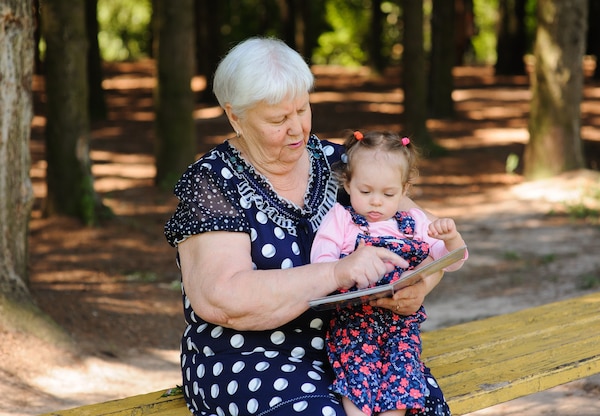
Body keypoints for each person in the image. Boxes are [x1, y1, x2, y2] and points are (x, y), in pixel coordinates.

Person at [164, 37, 448, 416]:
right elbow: (222, 298)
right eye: (278, 120)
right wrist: (334, 272)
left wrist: (420, 286)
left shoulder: (343, 164)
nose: (297, 128)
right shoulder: (214, 183)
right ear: (235, 116)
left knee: (421, 407)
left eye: (302, 109)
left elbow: (424, 235)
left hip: (354, 343)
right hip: (247, 357)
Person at [311, 130, 468, 416]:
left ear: (405, 190)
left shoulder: (414, 222)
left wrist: (451, 239)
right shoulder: (343, 219)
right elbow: (322, 260)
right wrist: (341, 271)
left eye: (388, 194)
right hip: (354, 325)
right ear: (348, 183)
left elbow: (453, 260)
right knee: (358, 383)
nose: (375, 202)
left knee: (400, 388)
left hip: (401, 328)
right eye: (365, 191)